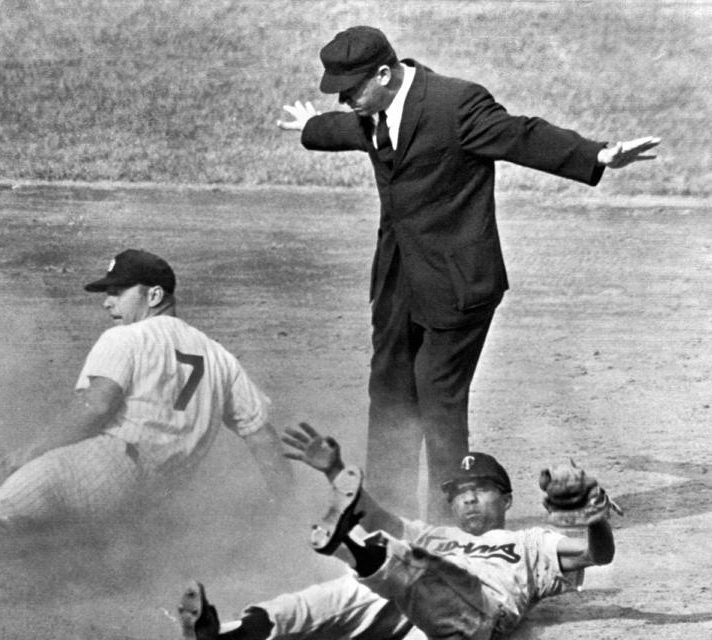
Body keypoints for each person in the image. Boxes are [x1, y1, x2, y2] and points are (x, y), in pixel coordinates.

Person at [277, 26, 660, 520]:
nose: (346, 101)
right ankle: (386, 517)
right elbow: (352, 130)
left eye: (351, 90)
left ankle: (449, 523)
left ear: (384, 74)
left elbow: (521, 135)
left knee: (438, 402)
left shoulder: (455, 105)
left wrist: (597, 153)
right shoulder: (371, 110)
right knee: (390, 395)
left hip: (459, 286)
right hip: (398, 281)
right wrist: (312, 127)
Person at [0, 249, 293, 582]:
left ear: (154, 294)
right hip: (157, 497)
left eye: (119, 291)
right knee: (59, 538)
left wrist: (34, 450)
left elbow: (96, 405)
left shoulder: (128, 338)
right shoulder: (221, 358)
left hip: (112, 464)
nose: (108, 302)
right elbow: (264, 441)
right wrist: (284, 509)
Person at [177, 422, 616, 640]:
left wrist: (596, 519)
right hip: (406, 616)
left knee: (419, 570)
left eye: (480, 489)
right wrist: (335, 471)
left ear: (506, 500)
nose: (468, 499)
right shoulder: (439, 536)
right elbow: (378, 517)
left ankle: (348, 547)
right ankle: (217, 637)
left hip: (472, 618)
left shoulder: (529, 542)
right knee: (332, 599)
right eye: (459, 492)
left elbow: (598, 554)